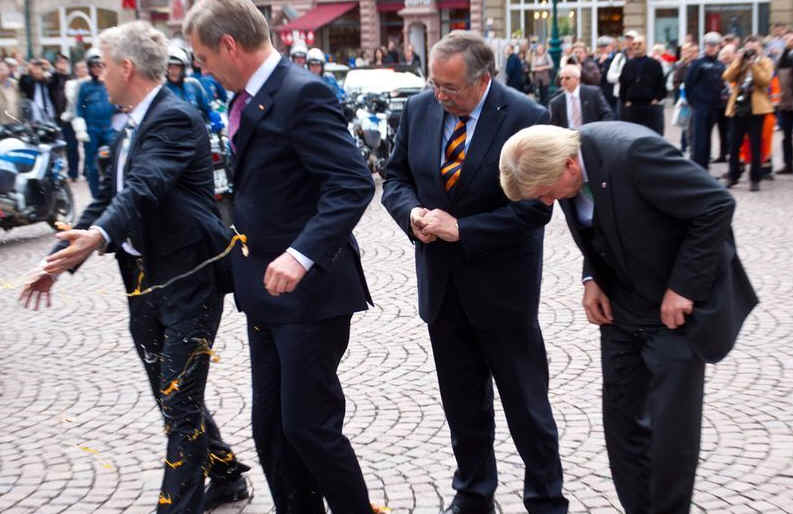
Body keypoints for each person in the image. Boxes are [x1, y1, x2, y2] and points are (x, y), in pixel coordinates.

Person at [19, 21, 251, 513]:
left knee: (179, 400)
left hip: (188, 277)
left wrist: (98, 237)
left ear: (126, 68)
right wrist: (58, 258)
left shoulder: (174, 117)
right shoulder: (129, 124)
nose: (98, 76)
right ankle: (227, 474)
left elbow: (144, 188)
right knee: (171, 396)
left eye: (103, 66)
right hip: (142, 279)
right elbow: (107, 197)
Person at [184, 1, 386, 512]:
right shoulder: (249, 97)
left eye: (204, 57)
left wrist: (301, 255)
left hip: (311, 293)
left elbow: (351, 183)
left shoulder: (302, 92)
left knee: (309, 427)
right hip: (264, 291)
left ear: (229, 45)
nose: (202, 69)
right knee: (271, 430)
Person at [499, 122, 757, 514]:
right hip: (621, 310)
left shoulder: (634, 154)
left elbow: (716, 205)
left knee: (671, 434)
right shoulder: (563, 169)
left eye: (548, 192)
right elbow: (599, 222)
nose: (548, 202)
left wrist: (683, 288)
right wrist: (591, 278)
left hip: (674, 315)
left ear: (569, 165)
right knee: (621, 426)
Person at [381, 30, 568, 514]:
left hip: (503, 291)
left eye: (450, 87)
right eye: (434, 84)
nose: (439, 96)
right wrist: (411, 214)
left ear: (483, 80)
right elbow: (395, 177)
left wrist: (462, 229)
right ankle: (473, 493)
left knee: (527, 405)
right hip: (442, 287)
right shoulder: (419, 109)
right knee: (463, 403)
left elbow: (535, 209)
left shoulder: (526, 116)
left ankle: (547, 500)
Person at [723, 37, 774, 191]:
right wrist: (739, 61)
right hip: (738, 107)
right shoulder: (741, 61)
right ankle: (733, 176)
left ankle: (755, 178)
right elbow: (727, 76)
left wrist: (754, 65)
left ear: (760, 48)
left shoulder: (765, 62)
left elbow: (765, 81)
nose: (751, 51)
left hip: (756, 109)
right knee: (734, 144)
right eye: (748, 48)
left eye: (754, 48)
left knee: (755, 145)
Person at [75, 48, 119, 198]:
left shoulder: (109, 83)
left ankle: (112, 193)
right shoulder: (84, 86)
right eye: (94, 66)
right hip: (91, 129)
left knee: (113, 160)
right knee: (92, 165)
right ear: (89, 68)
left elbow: (119, 103)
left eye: (100, 65)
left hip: (108, 128)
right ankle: (96, 196)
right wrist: (80, 128)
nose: (97, 69)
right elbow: (79, 108)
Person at [685, 32, 726, 169]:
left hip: (715, 107)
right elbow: (689, 84)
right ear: (705, 46)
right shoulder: (697, 64)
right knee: (699, 138)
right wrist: (694, 103)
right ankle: (698, 166)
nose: (712, 48)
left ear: (718, 47)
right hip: (701, 106)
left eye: (715, 45)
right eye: (709, 45)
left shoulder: (720, 65)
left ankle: (705, 165)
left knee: (708, 138)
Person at [164, 45, 221, 131]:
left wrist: (213, 116)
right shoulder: (162, 90)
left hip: (197, 132)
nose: (172, 71)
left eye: (176, 67)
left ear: (183, 68)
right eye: (170, 67)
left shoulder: (193, 84)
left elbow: (207, 107)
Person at [619, 36, 667, 135]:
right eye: (634, 44)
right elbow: (623, 85)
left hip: (650, 106)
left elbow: (661, 84)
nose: (636, 46)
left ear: (645, 45)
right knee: (632, 135)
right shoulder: (628, 65)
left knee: (651, 135)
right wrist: (625, 101)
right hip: (632, 107)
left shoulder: (654, 64)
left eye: (639, 44)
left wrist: (656, 99)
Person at [48, 53, 81, 181]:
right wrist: (56, 72)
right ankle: (56, 173)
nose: (62, 65)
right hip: (56, 117)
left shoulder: (72, 79)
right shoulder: (52, 79)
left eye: (65, 63)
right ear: (56, 64)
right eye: (60, 62)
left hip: (70, 117)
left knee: (72, 146)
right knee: (56, 147)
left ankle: (73, 174)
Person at [550, 64, 613, 128]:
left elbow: (607, 114)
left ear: (577, 79)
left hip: (591, 132)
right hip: (568, 133)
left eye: (567, 78)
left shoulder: (593, 93)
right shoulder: (556, 102)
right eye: (561, 78)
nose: (563, 81)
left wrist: (598, 129)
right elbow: (554, 126)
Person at [61, 60, 89, 180]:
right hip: (71, 118)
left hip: (87, 117)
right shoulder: (70, 83)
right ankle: (73, 173)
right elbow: (73, 98)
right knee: (71, 147)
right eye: (80, 68)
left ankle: (87, 173)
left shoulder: (93, 83)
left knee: (88, 146)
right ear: (76, 71)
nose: (84, 70)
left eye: (85, 67)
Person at [607, 31, 637, 118]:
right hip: (621, 97)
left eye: (631, 39)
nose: (629, 42)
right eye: (627, 39)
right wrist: (623, 77)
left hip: (638, 98)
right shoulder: (619, 57)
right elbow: (610, 77)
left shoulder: (642, 57)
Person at [776, 33, 793, 175]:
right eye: (786, 39)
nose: (789, 41)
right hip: (785, 103)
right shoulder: (784, 56)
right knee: (786, 136)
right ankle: (788, 164)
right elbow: (779, 69)